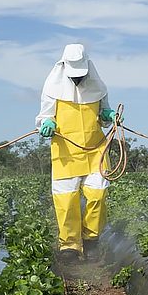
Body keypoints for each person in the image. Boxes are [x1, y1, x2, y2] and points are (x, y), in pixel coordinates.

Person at [36, 43, 120, 261]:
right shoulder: (52, 88)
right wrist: (47, 124)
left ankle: (91, 238)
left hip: (95, 150)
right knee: (66, 200)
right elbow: (45, 116)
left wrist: (109, 115)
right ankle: (70, 246)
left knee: (98, 194)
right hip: (66, 151)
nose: (77, 80)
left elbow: (103, 114)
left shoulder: (98, 87)